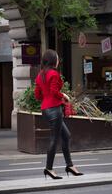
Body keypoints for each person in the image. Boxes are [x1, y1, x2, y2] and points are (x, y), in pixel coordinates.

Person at [34, 49, 84, 179]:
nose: (58, 60)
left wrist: (49, 97)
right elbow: (54, 91)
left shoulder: (40, 75)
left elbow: (37, 95)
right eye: (57, 58)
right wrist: (64, 96)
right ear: (53, 60)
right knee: (54, 139)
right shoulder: (54, 74)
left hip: (45, 110)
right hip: (54, 110)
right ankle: (49, 168)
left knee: (66, 136)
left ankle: (69, 165)